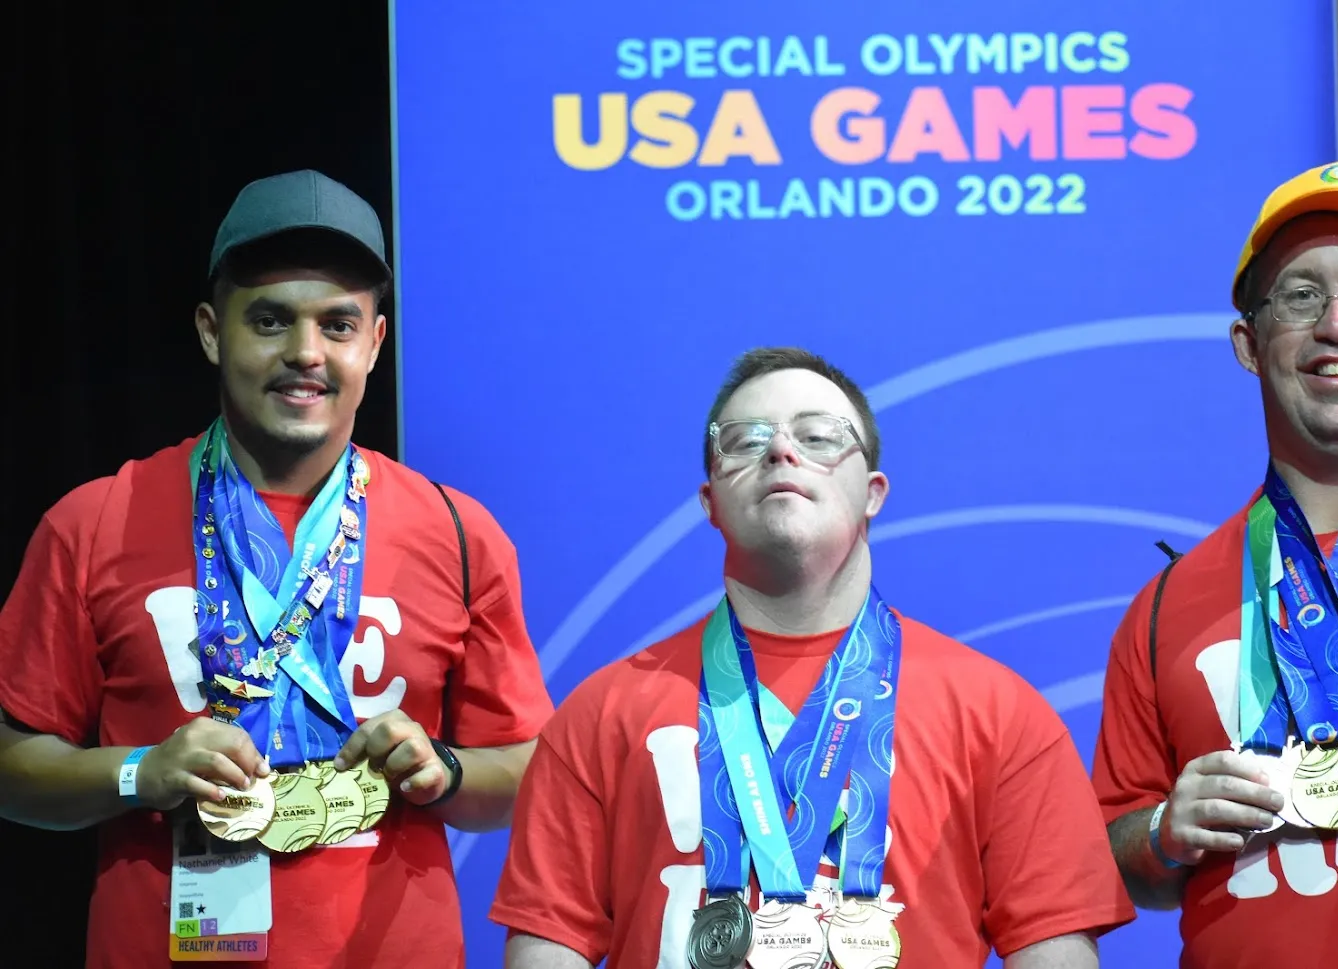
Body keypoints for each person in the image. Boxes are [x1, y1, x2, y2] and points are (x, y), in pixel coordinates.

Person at [0, 169, 554, 968]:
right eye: (269, 319)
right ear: (210, 331)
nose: (305, 353)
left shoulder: (460, 533)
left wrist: (447, 767)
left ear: (374, 342)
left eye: (337, 324)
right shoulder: (93, 522)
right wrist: (139, 772)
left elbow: (529, 768)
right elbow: (13, 770)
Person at [490, 347, 1135, 968]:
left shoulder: (1000, 714)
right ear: (710, 502)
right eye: (745, 440)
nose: (780, 450)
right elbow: (551, 942)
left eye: (820, 436)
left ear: (873, 492)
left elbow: (1052, 945)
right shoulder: (601, 714)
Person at [1093, 160, 1338, 968]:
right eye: (1299, 295)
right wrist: (1162, 831)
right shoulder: (1163, 607)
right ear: (1249, 346)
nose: (1336, 324)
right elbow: (1113, 852)